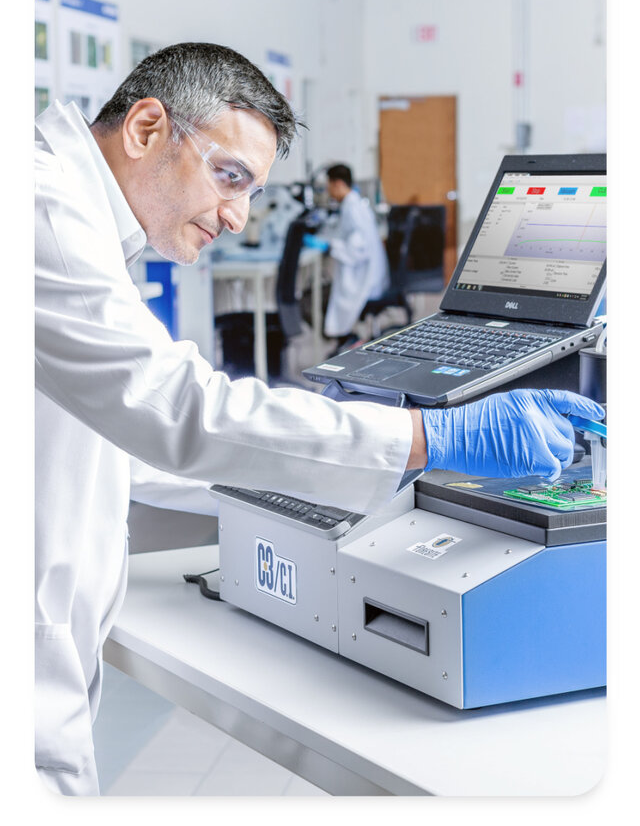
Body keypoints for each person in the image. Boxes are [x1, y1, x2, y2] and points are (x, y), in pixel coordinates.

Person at [35, 42, 604, 795]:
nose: (237, 216)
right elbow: (178, 411)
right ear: (146, 127)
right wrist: (431, 437)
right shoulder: (39, 211)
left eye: (252, 190)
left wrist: (348, 471)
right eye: (228, 176)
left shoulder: (74, 218)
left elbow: (124, 436)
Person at [322, 163, 390, 348]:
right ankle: (347, 338)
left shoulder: (352, 208)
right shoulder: (354, 203)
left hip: (365, 279)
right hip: (370, 273)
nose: (328, 191)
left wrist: (330, 246)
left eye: (328, 185)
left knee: (317, 298)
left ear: (337, 183)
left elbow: (358, 250)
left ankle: (349, 339)